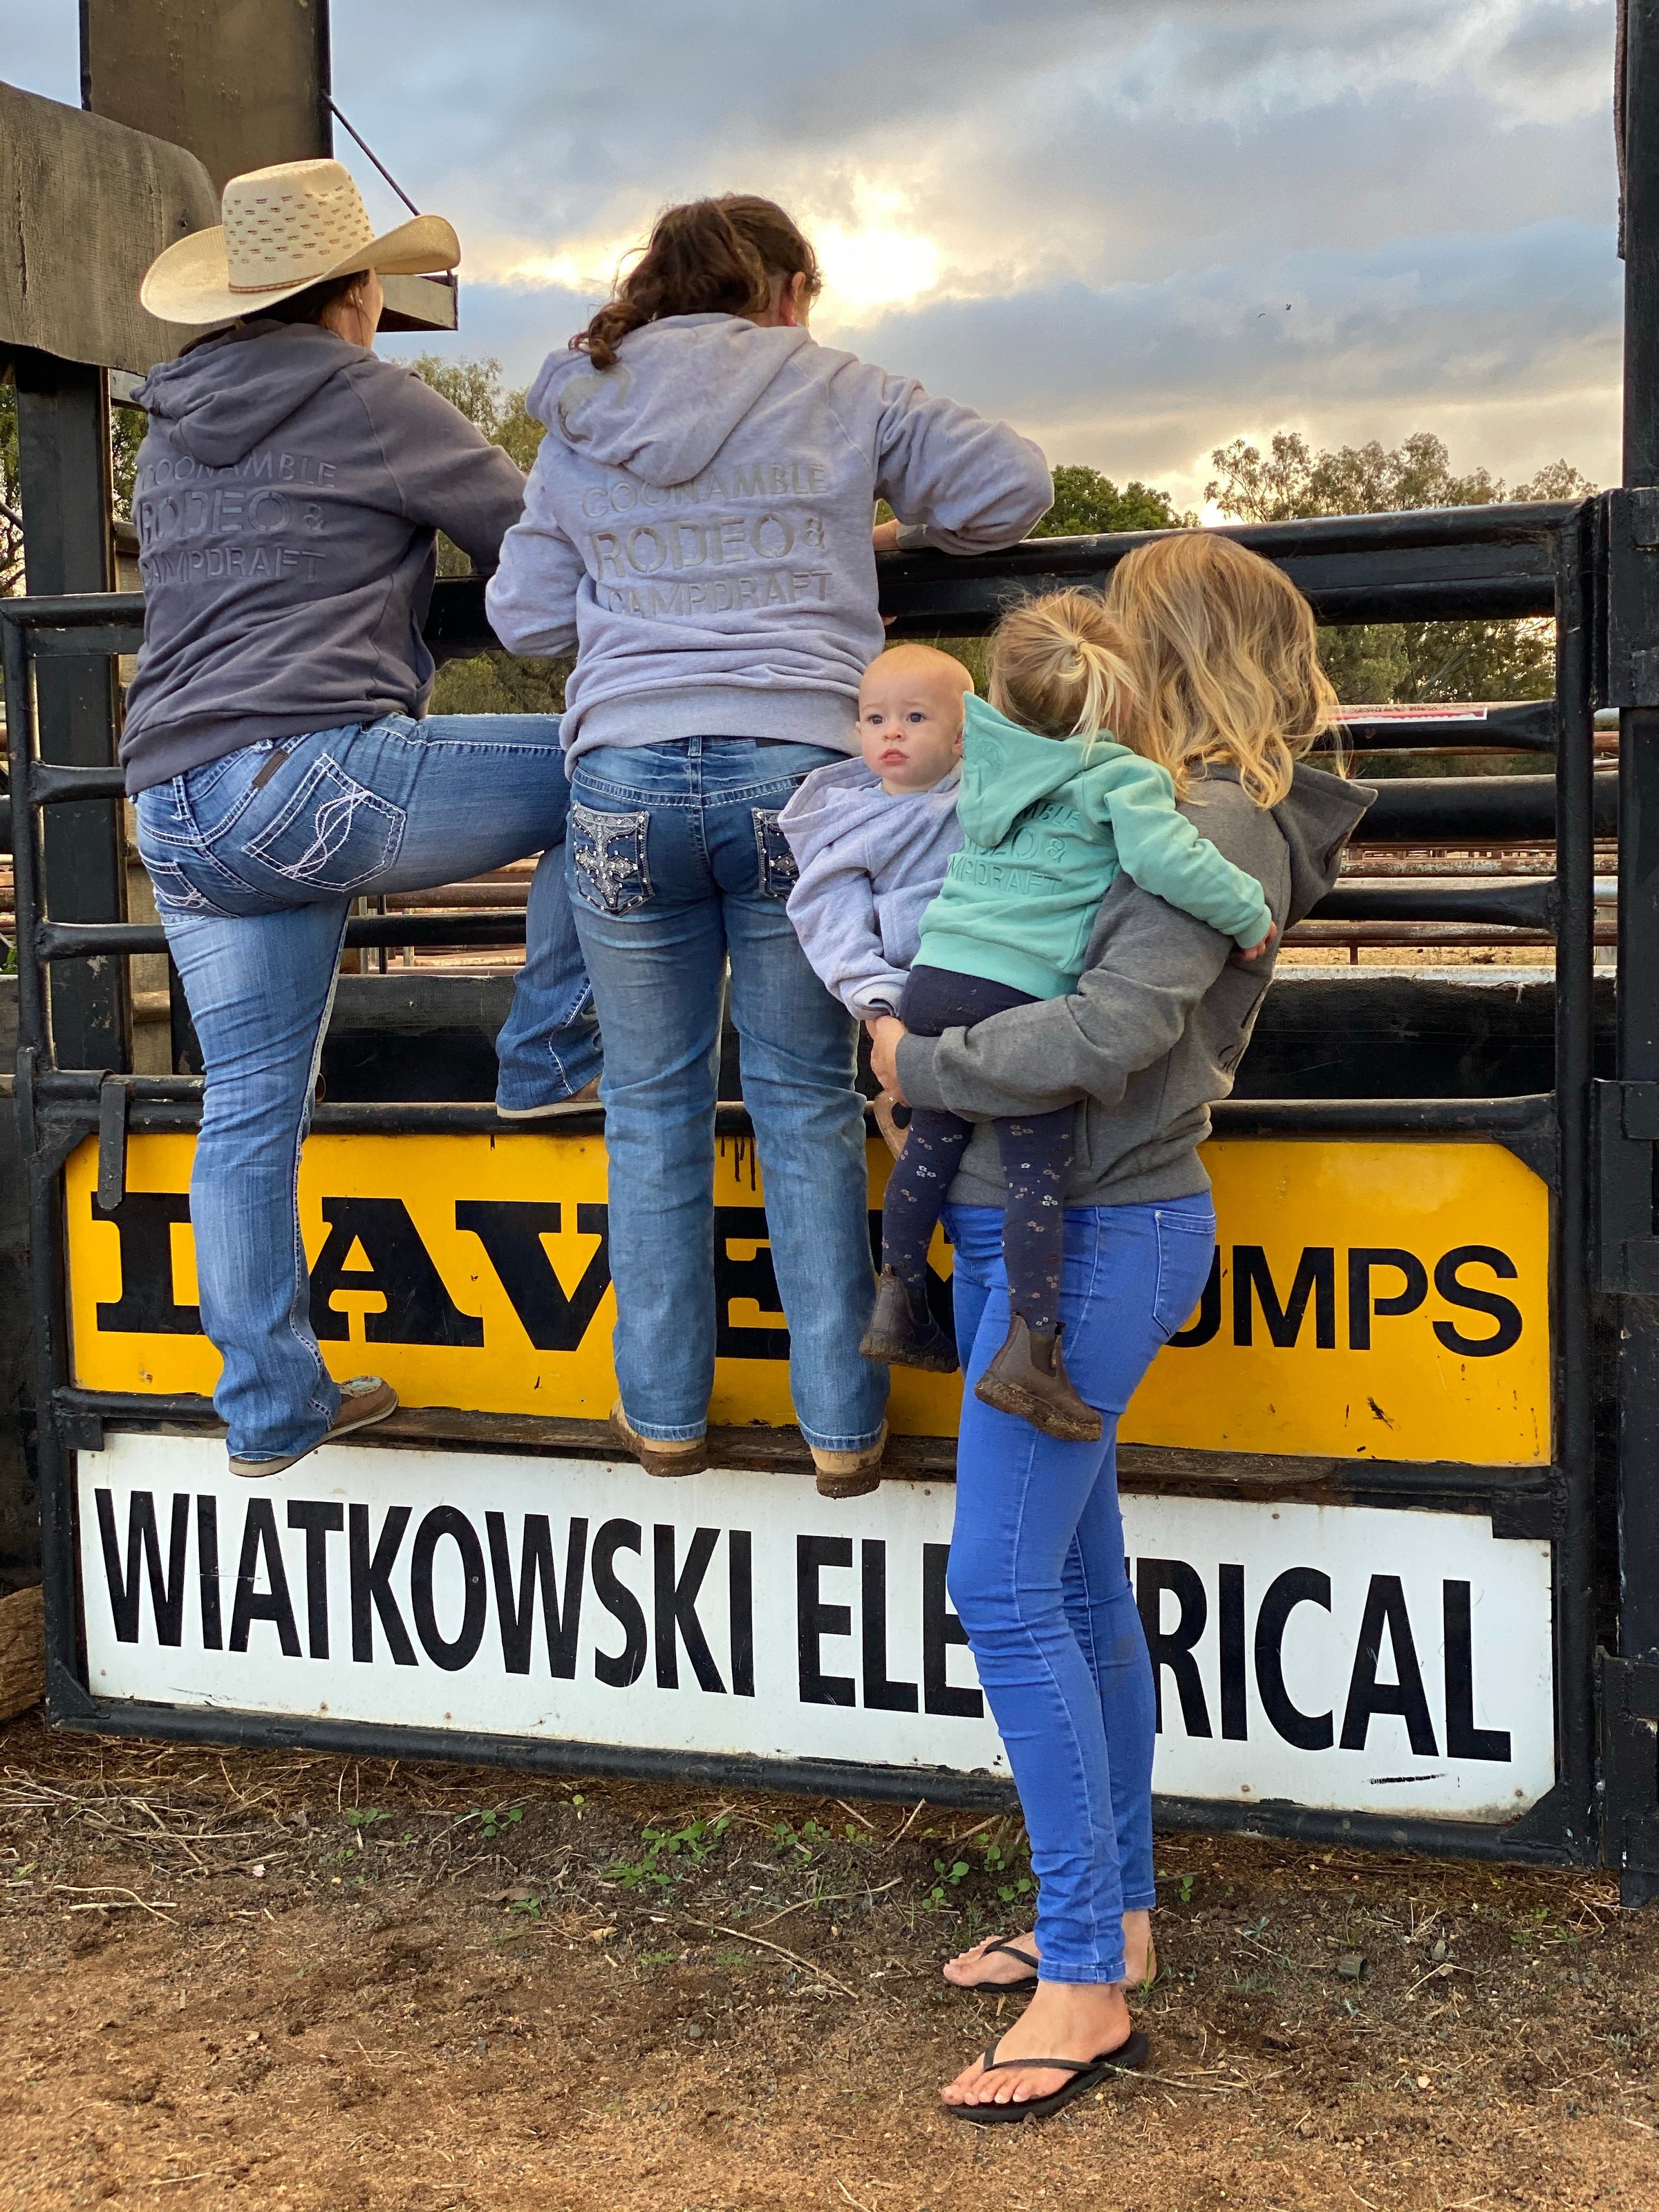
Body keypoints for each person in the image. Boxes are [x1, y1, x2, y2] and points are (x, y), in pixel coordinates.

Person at [866, 532, 1374, 2121]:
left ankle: (1081, 1983)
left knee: (1003, 1587)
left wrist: (913, 1072)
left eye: (1123, 639)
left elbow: (1106, 1032)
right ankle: (1110, 1927)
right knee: (1074, 1586)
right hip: (1065, 1223)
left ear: (1175, 652)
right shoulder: (1166, 803)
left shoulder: (1211, 814)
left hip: (1090, 1232)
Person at [486, 194, 1053, 1498]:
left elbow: (520, 622)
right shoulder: (840, 388)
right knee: (803, 1102)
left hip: (622, 778)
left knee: (649, 1107)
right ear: (789, 288)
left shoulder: (581, 413)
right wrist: (876, 542)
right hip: (802, 779)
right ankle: (842, 1433)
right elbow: (1011, 487)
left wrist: (634, 584)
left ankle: (665, 1417)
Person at [126, 158, 598, 1478]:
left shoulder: (173, 425)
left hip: (171, 802)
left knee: (248, 1109)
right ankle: (553, 1064)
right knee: (612, 758)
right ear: (356, 293)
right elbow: (535, 536)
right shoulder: (370, 397)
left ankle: (271, 1410)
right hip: (305, 775)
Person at [854, 594, 1274, 1441]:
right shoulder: (1120, 774)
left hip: (935, 976)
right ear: (1119, 698)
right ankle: (1032, 1350)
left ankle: (897, 1291)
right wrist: (1248, 913)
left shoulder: (982, 767)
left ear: (999, 692)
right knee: (1036, 1177)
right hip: (1018, 987)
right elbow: (1170, 859)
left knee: (931, 1142)